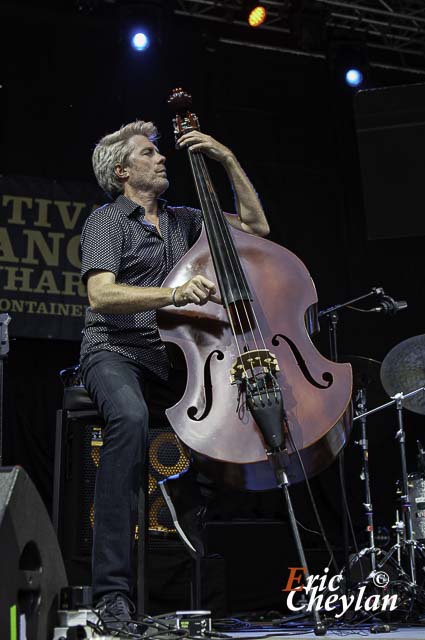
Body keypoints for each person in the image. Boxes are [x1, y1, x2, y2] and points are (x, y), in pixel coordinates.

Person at [79, 119, 269, 633]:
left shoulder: (185, 219)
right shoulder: (107, 221)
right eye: (148, 153)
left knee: (222, 425)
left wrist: (226, 158)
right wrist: (172, 294)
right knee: (131, 419)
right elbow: (101, 295)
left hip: (170, 357)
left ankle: (197, 583)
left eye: (159, 152)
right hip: (114, 349)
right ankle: (112, 595)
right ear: (123, 170)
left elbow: (256, 228)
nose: (161, 158)